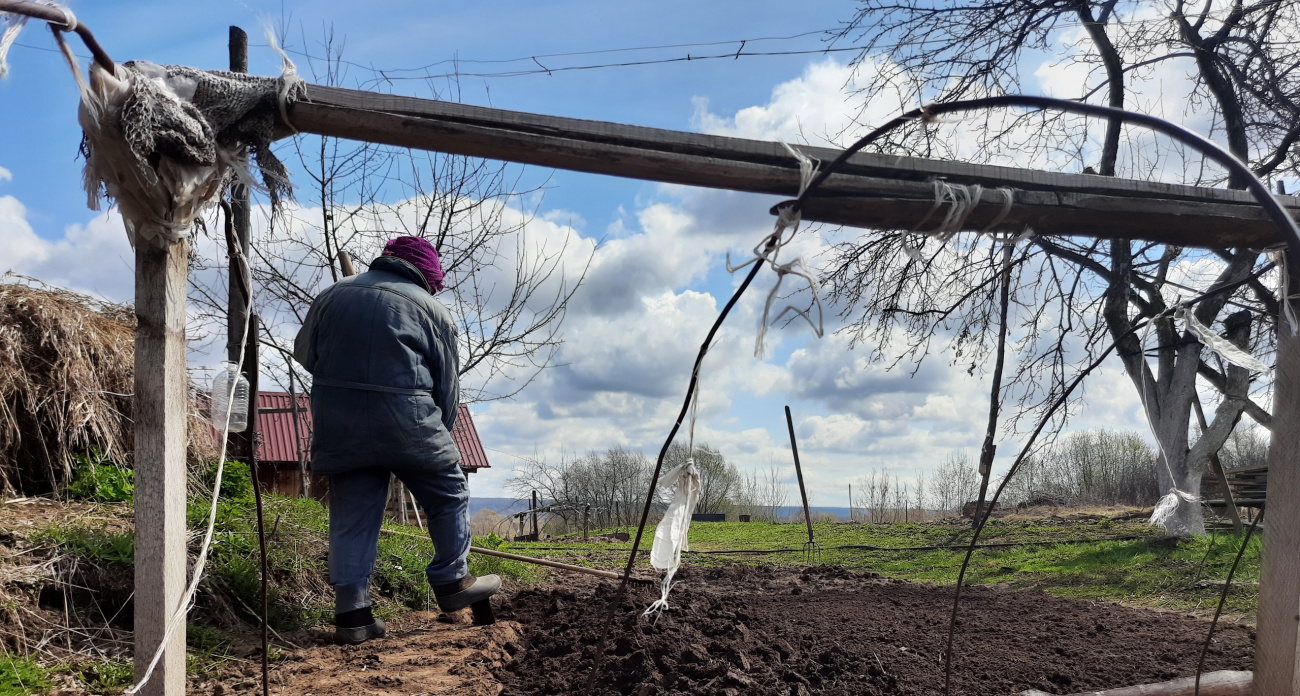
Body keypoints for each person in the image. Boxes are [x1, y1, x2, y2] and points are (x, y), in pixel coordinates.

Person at [294, 236, 499, 645]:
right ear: (426, 274)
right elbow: (446, 389)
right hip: (411, 421)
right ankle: (452, 581)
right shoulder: (433, 311)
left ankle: (352, 615)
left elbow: (305, 354)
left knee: (352, 514)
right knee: (448, 491)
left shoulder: (331, 296)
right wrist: (440, 435)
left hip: (341, 424)